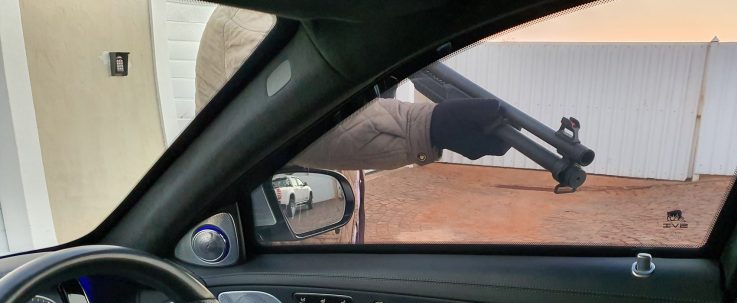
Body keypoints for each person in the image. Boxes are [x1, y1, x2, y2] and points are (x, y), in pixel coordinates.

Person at [195, 6, 510, 170]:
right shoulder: (251, 17)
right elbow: (287, 124)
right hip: (258, 217)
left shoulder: (314, 17)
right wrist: (427, 126)